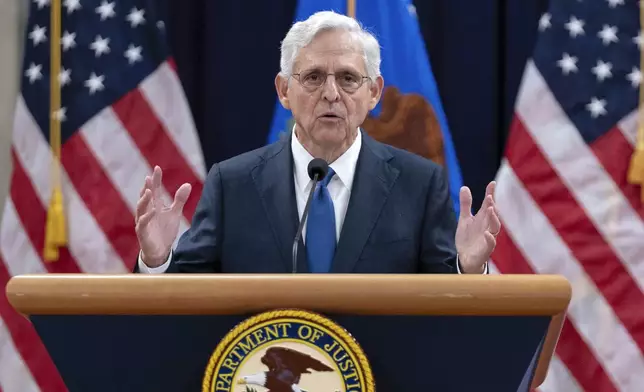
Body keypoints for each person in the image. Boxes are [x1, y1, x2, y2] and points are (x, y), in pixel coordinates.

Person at [134, 11, 500, 274]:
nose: (330, 94)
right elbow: (188, 302)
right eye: (312, 77)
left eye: (347, 78)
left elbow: (445, 306)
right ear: (283, 91)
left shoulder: (419, 184)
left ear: (373, 93)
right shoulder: (232, 184)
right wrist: (157, 261)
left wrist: (468, 268)